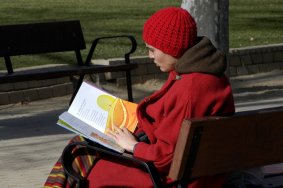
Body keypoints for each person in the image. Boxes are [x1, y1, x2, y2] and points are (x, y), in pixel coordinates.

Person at [44, 7, 235, 188]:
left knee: (80, 153)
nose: (150, 56)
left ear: (172, 48)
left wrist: (134, 146)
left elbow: (167, 157)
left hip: (167, 176)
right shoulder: (203, 73)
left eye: (152, 49)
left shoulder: (191, 88)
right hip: (196, 171)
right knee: (83, 144)